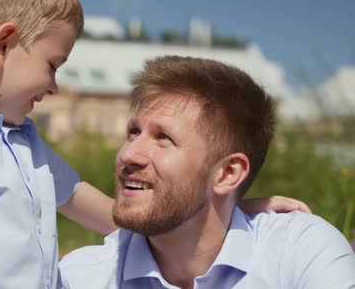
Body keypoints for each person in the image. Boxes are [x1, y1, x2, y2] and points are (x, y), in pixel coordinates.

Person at [0, 0, 309, 288]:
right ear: (3, 44)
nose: (54, 86)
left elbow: (118, 216)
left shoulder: (24, 144)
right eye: (53, 64)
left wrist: (220, 206)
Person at [59, 56, 355, 289]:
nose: (127, 154)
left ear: (227, 174)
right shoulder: (81, 278)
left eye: (163, 138)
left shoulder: (299, 254)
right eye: (134, 132)